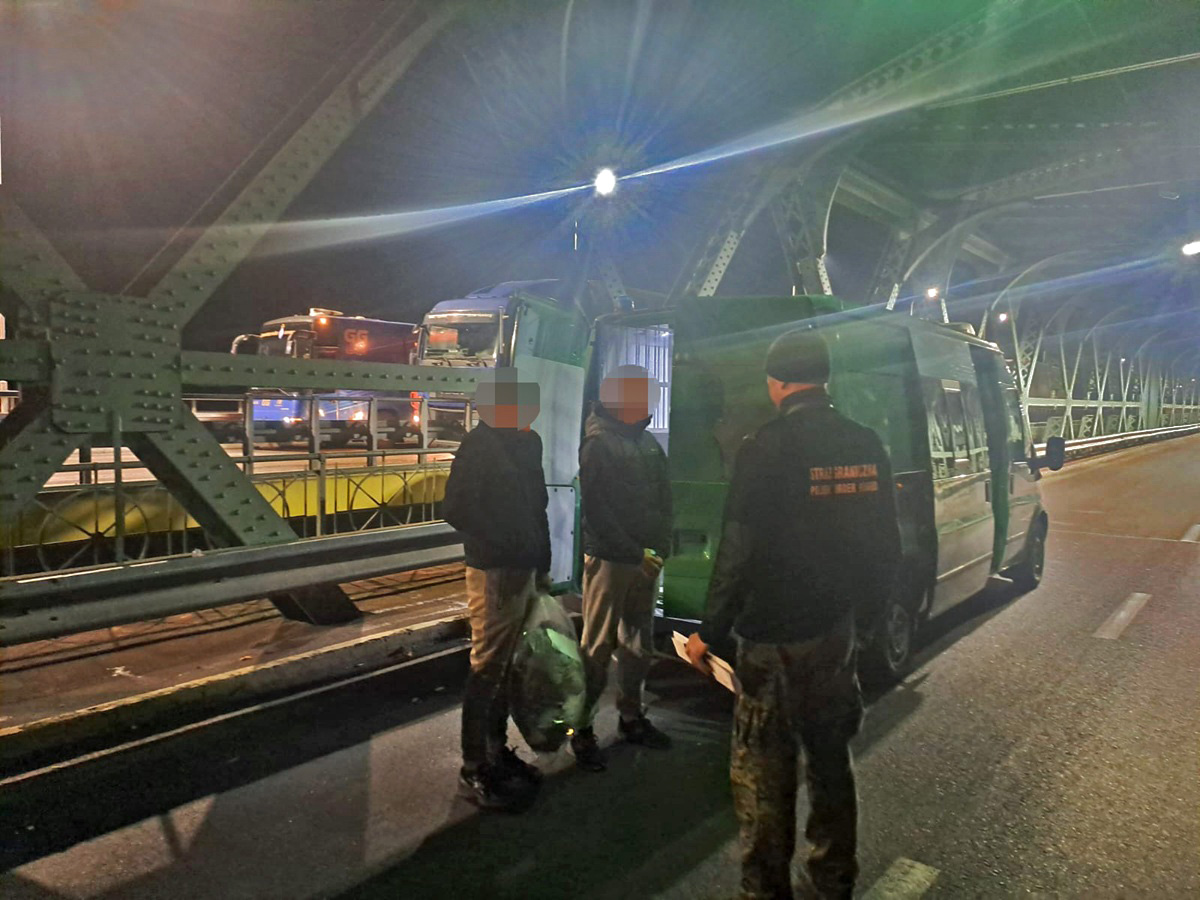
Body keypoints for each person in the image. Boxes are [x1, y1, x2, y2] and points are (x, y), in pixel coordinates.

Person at [685, 329, 901, 900]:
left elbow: (739, 551)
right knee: (830, 761)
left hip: (772, 638)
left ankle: (765, 890)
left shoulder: (764, 448)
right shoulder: (864, 443)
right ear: (823, 378)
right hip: (834, 633)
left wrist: (709, 632)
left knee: (763, 774)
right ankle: (833, 879)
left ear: (776, 383)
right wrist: (866, 623)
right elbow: (885, 547)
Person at [441, 368, 551, 811]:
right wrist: (507, 543)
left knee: (505, 667)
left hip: (525, 569)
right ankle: (474, 767)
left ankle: (496, 750)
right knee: (487, 668)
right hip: (494, 572)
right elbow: (456, 508)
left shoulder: (527, 442)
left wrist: (541, 562)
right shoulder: (479, 446)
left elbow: (539, 505)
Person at [571, 364, 674, 771]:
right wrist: (636, 553)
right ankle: (581, 729)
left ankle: (631, 717)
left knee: (637, 644)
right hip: (610, 559)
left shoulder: (646, 442)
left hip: (644, 559)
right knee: (596, 647)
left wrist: (660, 547)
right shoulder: (598, 444)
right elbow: (597, 511)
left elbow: (664, 499)